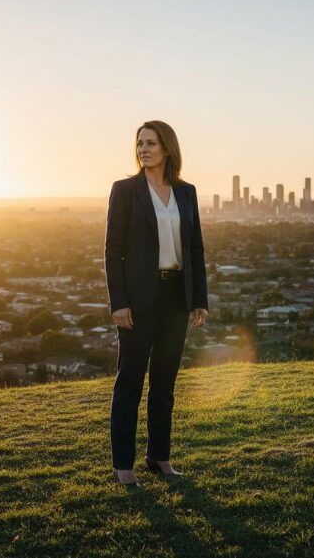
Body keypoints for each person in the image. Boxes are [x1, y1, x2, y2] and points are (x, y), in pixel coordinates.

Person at [104, 120, 209, 488]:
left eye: (151, 143)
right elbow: (113, 251)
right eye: (139, 144)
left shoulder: (186, 192)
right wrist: (119, 302)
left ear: (167, 148)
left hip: (176, 297)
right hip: (137, 300)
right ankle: (123, 466)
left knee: (165, 383)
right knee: (130, 382)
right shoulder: (125, 190)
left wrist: (199, 299)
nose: (143, 149)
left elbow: (194, 248)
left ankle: (160, 457)